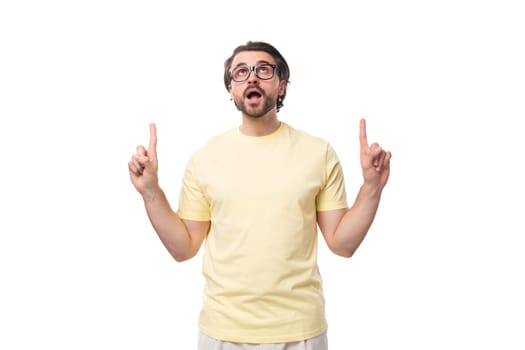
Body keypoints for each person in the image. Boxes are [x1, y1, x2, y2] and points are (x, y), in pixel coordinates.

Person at [128, 41, 391, 350]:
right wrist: (150, 192)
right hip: (222, 333)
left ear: (281, 86)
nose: (251, 77)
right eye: (240, 72)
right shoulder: (204, 159)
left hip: (300, 332)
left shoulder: (318, 153)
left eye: (263, 70)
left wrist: (371, 187)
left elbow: (343, 244)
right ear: (231, 89)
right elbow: (183, 247)